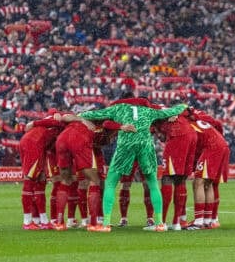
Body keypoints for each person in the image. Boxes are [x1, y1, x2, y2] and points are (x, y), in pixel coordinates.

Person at [79, 93, 187, 232]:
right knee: (152, 183)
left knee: (111, 183)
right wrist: (183, 106)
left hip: (126, 145)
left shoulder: (118, 108)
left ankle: (105, 224)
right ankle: (160, 223)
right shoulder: (148, 110)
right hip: (145, 145)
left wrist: (81, 114)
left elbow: (94, 115)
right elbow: (170, 111)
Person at [53, 113, 135, 231]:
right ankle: (93, 223)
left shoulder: (85, 121)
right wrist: (121, 127)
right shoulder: (103, 123)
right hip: (79, 140)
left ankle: (59, 222)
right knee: (94, 181)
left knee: (66, 180)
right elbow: (66, 116)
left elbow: (66, 117)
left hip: (62, 140)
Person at [184, 107, 229, 230]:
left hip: (212, 147)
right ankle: (209, 220)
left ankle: (199, 222)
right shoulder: (199, 118)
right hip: (221, 143)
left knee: (198, 182)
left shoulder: (185, 124)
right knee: (208, 184)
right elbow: (217, 123)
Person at [19, 112, 65, 230]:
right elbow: (53, 120)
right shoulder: (61, 121)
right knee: (29, 181)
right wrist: (33, 123)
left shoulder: (55, 128)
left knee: (41, 181)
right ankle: (27, 222)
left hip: (37, 146)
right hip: (33, 144)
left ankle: (44, 221)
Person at [154, 110, 198, 230]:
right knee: (180, 179)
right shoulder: (182, 114)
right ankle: (176, 223)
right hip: (192, 136)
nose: (158, 136)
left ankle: (161, 223)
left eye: (156, 133)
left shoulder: (156, 113)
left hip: (178, 135)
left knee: (167, 177)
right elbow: (193, 113)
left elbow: (156, 107)